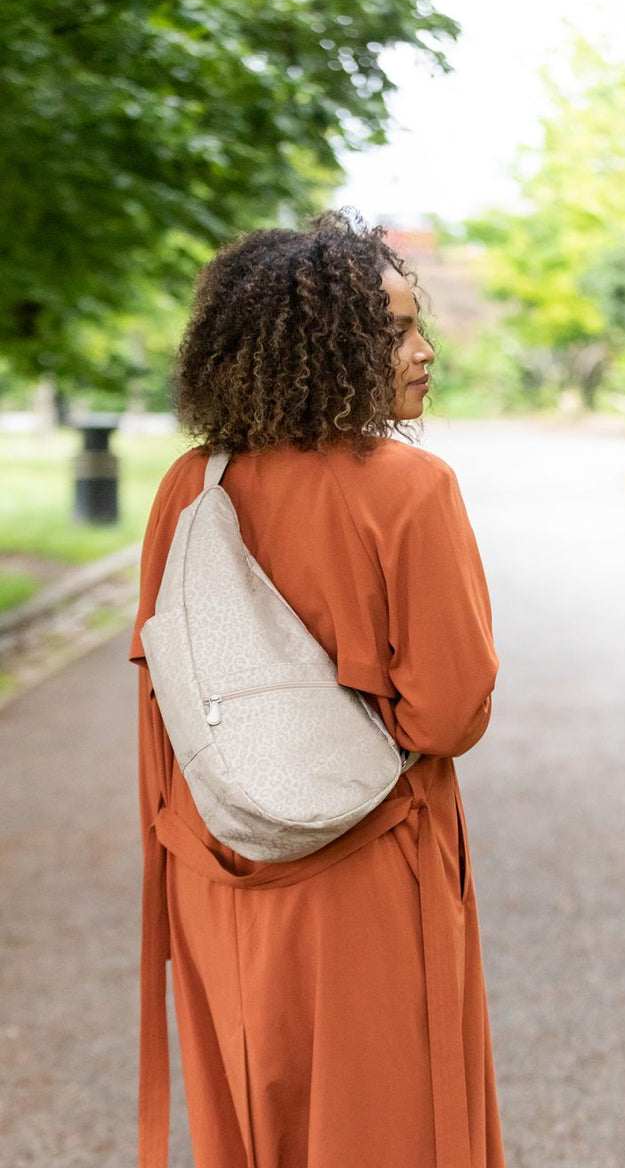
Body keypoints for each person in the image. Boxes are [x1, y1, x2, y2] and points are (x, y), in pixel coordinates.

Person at [130, 210, 504, 1168]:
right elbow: (451, 713)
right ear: (327, 347)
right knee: (383, 1124)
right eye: (398, 333)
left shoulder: (190, 488)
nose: (426, 353)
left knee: (250, 1116)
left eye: (422, 326)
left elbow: (167, 699)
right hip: (369, 868)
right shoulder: (412, 490)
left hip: (216, 859)